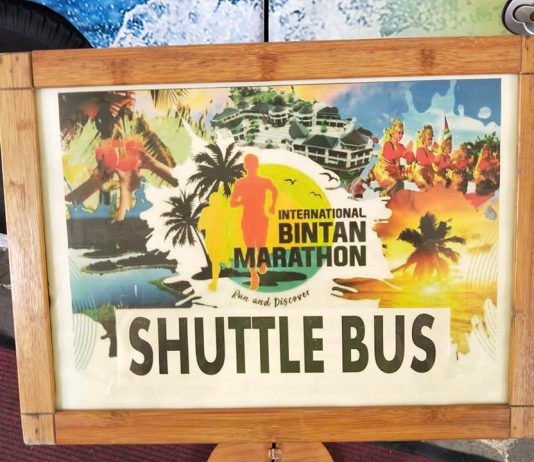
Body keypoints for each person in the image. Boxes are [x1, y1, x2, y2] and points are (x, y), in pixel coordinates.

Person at [230, 153, 278, 290]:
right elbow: (275, 191)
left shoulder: (241, 183)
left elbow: (233, 203)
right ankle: (255, 273)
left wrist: (242, 201)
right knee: (257, 246)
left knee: (253, 248)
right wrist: (272, 205)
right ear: (256, 166)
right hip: (256, 219)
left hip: (253, 220)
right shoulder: (260, 181)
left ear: (245, 166)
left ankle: (256, 270)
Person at [198, 187, 232, 291]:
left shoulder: (208, 211)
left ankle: (214, 282)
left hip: (216, 239)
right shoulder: (223, 211)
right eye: (211, 199)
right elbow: (200, 226)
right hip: (216, 239)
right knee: (216, 260)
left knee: (215, 261)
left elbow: (200, 226)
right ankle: (225, 261)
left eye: (213, 199)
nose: (211, 201)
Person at [372, 119, 414, 193]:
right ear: (392, 133)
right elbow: (391, 156)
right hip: (383, 172)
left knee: (400, 184)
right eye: (399, 133)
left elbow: (409, 160)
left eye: (402, 133)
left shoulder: (400, 146)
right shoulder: (387, 144)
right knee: (396, 183)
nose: (401, 135)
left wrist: (409, 153)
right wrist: (405, 152)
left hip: (394, 174)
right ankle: (384, 192)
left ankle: (388, 192)